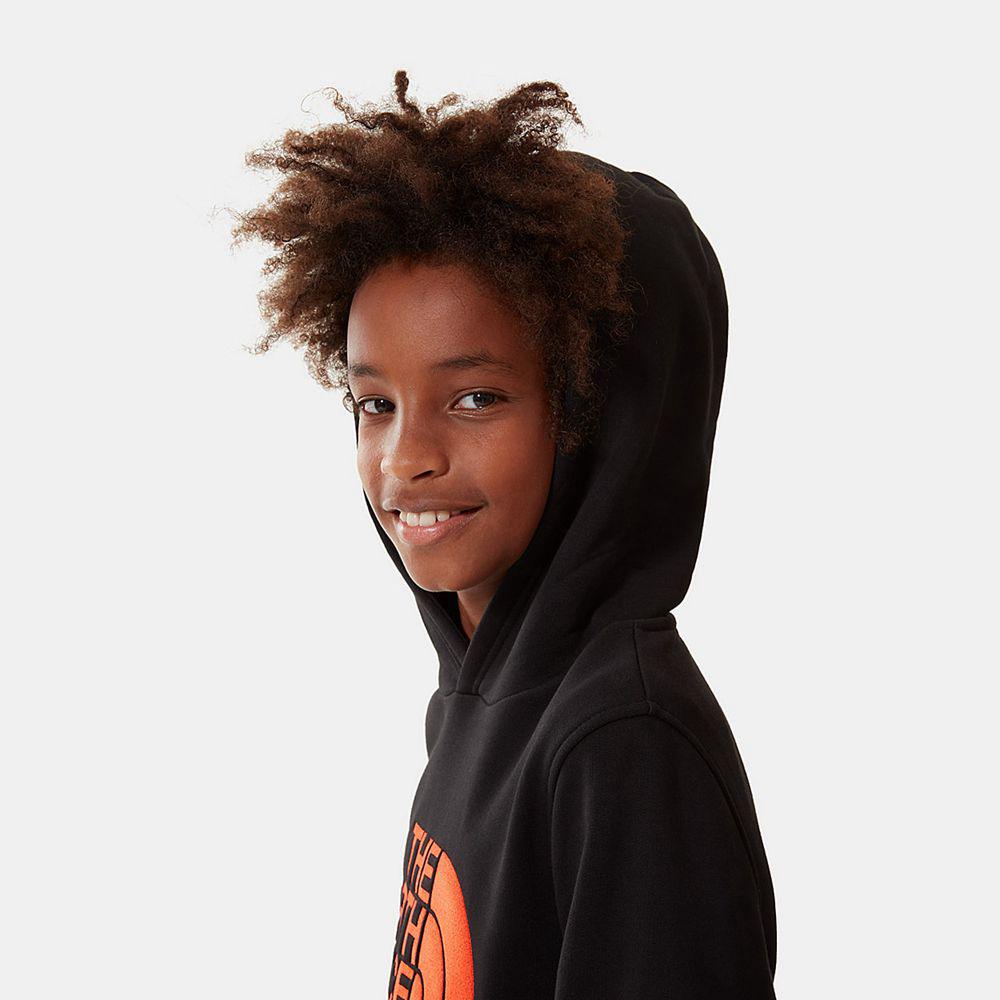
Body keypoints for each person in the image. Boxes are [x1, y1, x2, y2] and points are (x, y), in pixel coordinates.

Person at [233, 69, 779, 999]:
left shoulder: (623, 743)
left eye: (476, 397)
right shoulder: (478, 701)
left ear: (602, 417)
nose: (406, 458)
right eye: (375, 403)